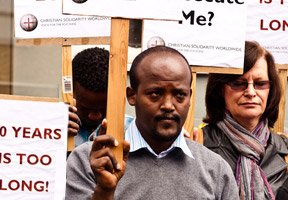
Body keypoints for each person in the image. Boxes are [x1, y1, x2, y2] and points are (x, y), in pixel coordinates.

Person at [66, 46, 238, 199]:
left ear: (190, 97)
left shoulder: (215, 169)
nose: (168, 106)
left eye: (179, 95)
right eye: (155, 93)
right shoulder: (91, 161)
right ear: (132, 95)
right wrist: (104, 192)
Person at [202, 40, 288, 200]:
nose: (250, 92)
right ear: (221, 90)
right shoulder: (198, 146)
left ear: (271, 89)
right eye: (238, 83)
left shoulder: (285, 151)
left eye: (260, 84)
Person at [68, 47, 133, 147]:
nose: (95, 116)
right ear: (71, 93)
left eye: (104, 107)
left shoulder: (131, 131)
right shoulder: (52, 128)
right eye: (85, 108)